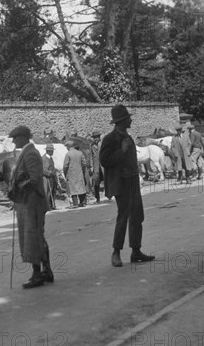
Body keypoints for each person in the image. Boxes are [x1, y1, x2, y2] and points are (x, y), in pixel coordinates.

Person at [100, 104, 155, 267]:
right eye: (128, 118)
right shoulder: (110, 139)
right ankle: (116, 253)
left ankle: (136, 251)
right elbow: (104, 160)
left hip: (132, 181)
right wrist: (121, 151)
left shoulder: (129, 137)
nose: (131, 119)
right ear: (122, 121)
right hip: (121, 183)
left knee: (137, 216)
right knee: (123, 217)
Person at [8, 125, 53, 288]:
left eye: (15, 138)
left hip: (32, 202)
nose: (13, 141)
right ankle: (46, 271)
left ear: (23, 138)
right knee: (38, 237)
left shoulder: (31, 153)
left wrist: (17, 187)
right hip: (30, 202)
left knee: (32, 238)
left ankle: (37, 274)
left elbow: (34, 180)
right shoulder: (28, 152)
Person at [63, 140, 88, 207]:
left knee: (73, 189)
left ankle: (75, 203)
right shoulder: (80, 153)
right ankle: (83, 202)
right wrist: (81, 170)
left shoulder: (68, 154)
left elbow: (65, 166)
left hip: (71, 174)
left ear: (68, 147)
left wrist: (65, 173)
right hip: (79, 173)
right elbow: (84, 164)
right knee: (80, 187)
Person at [42, 144, 57, 210]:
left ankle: (52, 205)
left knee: (53, 191)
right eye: (51, 150)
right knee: (47, 192)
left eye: (52, 150)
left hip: (52, 178)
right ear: (48, 151)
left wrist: (54, 171)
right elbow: (43, 169)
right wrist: (49, 173)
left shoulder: (50, 158)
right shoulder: (43, 158)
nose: (53, 152)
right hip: (46, 178)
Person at [90, 131, 104, 203]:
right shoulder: (92, 145)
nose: (95, 139)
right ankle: (97, 198)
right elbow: (91, 156)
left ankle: (109, 195)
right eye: (94, 138)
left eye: (96, 137)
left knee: (106, 180)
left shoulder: (103, 144)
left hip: (103, 165)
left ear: (99, 137)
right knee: (96, 182)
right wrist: (92, 166)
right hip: (96, 166)